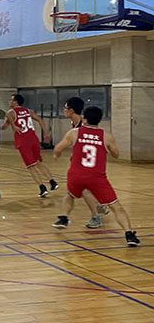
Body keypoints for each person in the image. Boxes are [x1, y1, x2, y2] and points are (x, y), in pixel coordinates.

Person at [52, 106, 139, 247]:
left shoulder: (74, 133)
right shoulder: (106, 136)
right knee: (116, 206)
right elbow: (116, 155)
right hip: (97, 177)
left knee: (69, 195)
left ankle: (64, 218)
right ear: (99, 120)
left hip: (76, 175)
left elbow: (58, 148)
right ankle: (129, 234)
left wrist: (56, 155)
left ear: (84, 119)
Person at [64, 97, 110, 228]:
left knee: (84, 188)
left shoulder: (83, 126)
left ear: (72, 110)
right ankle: (99, 205)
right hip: (82, 163)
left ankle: (96, 216)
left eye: (66, 108)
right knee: (85, 188)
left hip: (91, 164)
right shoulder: (75, 124)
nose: (64, 110)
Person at [1, 93, 59, 197]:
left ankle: (42, 188)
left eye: (11, 100)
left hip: (23, 142)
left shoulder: (10, 112)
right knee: (38, 162)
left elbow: (8, 127)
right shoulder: (28, 111)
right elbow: (40, 120)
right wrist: (45, 133)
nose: (10, 102)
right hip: (34, 139)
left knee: (30, 166)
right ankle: (52, 182)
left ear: (16, 102)